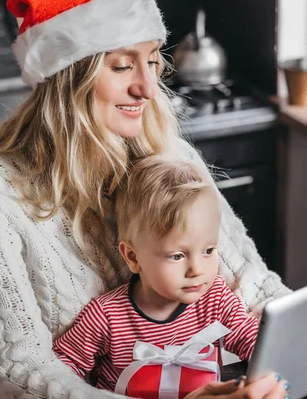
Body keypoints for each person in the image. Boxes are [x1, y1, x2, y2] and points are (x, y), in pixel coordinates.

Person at [0, 0, 307, 398]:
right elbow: (23, 377)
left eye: (151, 61)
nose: (147, 88)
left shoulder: (168, 153)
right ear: (68, 75)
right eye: (123, 65)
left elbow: (253, 289)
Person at [52, 155, 278, 395]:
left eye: (208, 251)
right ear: (133, 257)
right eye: (177, 256)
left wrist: (274, 367)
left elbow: (253, 339)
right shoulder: (106, 316)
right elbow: (62, 370)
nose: (197, 270)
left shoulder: (216, 299)